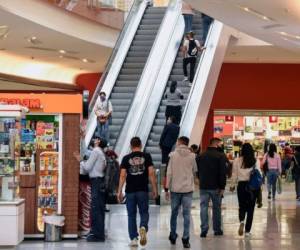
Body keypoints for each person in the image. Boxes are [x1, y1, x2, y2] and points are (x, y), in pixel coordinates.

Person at [117, 137, 158, 247]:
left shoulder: (126, 158)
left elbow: (122, 175)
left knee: (131, 215)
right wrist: (155, 189)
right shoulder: (147, 156)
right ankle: (143, 227)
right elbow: (151, 173)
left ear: (130, 146)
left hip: (130, 191)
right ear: (141, 145)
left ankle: (134, 239)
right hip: (142, 190)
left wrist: (119, 191)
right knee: (144, 212)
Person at [165, 136, 197, 249]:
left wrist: (166, 188)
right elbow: (194, 171)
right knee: (186, 214)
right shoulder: (193, 156)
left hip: (175, 189)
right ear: (187, 144)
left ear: (179, 142)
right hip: (188, 189)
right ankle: (186, 239)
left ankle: (173, 235)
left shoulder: (172, 155)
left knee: (174, 213)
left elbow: (169, 173)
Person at [75, 137, 107, 242]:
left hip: (96, 182)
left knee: (96, 208)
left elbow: (87, 167)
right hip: (100, 181)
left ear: (99, 142)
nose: (94, 139)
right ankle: (97, 232)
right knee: (99, 208)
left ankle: (97, 235)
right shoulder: (100, 152)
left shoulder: (96, 151)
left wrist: (80, 160)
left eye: (97, 139)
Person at [196, 137, 227, 238]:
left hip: (203, 185)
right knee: (216, 208)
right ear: (216, 144)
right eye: (220, 143)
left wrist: (200, 179)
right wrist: (222, 187)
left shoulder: (201, 155)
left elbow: (197, 171)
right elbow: (222, 173)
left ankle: (204, 229)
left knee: (203, 207)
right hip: (216, 187)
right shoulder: (221, 156)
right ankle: (217, 229)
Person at [230, 143, 261, 237]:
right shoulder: (255, 160)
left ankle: (242, 221)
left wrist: (232, 185)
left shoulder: (237, 160)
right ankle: (247, 231)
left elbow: (234, 174)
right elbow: (259, 174)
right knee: (251, 209)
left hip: (241, 186)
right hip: (252, 187)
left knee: (242, 206)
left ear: (242, 150)